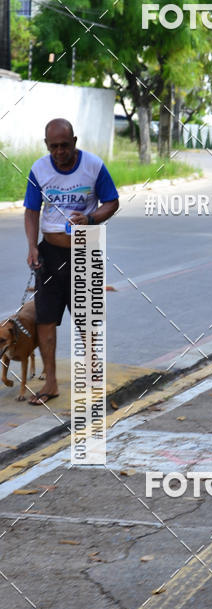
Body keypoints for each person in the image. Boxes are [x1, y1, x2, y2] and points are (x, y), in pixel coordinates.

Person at [24, 118, 119, 404]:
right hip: (50, 253)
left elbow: (112, 202)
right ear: (46, 146)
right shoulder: (39, 170)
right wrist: (32, 247)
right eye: (54, 147)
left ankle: (92, 376)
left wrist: (90, 219)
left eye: (65, 145)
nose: (60, 152)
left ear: (75, 142)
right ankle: (50, 382)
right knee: (45, 318)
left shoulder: (93, 166)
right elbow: (31, 211)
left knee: (86, 317)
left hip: (84, 249)